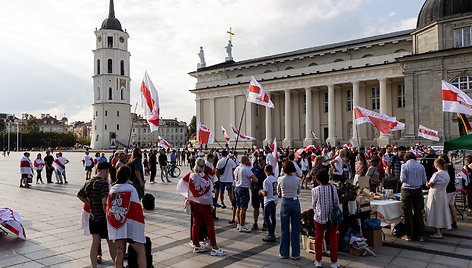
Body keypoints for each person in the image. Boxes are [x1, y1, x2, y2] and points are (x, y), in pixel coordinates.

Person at [178, 158, 225, 256]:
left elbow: (181, 183)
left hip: (193, 202)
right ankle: (214, 247)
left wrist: (188, 195)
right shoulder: (205, 177)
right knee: (210, 225)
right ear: (203, 166)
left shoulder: (190, 175)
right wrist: (211, 205)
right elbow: (209, 192)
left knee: (196, 223)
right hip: (203, 204)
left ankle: (196, 245)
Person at [77, 162, 117, 268]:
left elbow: (80, 195)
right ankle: (118, 265)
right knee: (110, 242)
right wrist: (106, 214)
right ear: (105, 170)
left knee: (95, 242)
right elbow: (104, 201)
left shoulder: (90, 181)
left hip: (93, 217)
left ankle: (94, 266)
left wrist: (90, 204)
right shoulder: (103, 183)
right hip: (103, 218)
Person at [107, 166, 147, 268]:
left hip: (118, 224)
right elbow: (136, 208)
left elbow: (109, 208)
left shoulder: (112, 189)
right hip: (131, 224)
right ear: (128, 176)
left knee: (120, 251)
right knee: (141, 251)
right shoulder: (131, 189)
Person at [312, 168, 340, 268]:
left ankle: (318, 260)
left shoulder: (315, 190)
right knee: (333, 239)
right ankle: (334, 262)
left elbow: (314, 204)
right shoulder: (333, 188)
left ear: (318, 180)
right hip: (332, 217)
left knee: (318, 238)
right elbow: (336, 202)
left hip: (320, 216)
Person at [400, 152, 427, 241]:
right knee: (419, 212)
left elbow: (402, 179)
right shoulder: (421, 166)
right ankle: (421, 235)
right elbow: (424, 180)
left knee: (407, 212)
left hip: (407, 189)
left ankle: (409, 235)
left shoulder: (404, 166)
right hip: (418, 190)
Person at [277, 161, 301, 260]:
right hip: (295, 201)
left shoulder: (280, 179)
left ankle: (284, 253)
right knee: (295, 229)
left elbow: (278, 192)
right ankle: (295, 254)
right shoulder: (297, 179)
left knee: (284, 229)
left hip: (285, 202)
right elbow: (298, 191)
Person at [425, 157, 452, 239]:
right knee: (442, 212)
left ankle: (438, 232)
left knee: (435, 212)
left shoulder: (436, 174)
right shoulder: (446, 173)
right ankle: (441, 229)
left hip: (435, 195)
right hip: (443, 194)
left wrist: (427, 183)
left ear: (436, 164)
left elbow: (430, 184)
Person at [234, 156, 258, 233]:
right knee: (243, 208)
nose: (248, 162)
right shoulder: (246, 169)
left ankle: (239, 223)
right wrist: (253, 180)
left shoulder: (237, 168)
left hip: (237, 188)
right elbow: (255, 179)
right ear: (245, 161)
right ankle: (242, 225)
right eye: (248, 160)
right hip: (244, 188)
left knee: (238, 207)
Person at [439, 154, 458, 229]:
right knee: (452, 205)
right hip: (452, 189)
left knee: (445, 207)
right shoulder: (451, 166)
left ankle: (445, 223)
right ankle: (454, 221)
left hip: (447, 190)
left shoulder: (445, 168)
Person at [260, 164, 278, 242]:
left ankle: (271, 233)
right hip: (274, 200)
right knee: (273, 217)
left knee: (266, 217)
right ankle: (272, 232)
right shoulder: (274, 179)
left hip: (268, 200)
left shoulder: (266, 180)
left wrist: (261, 191)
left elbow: (265, 193)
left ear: (265, 171)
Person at [251, 155, 267, 231]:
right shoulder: (255, 168)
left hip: (264, 191)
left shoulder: (267, 168)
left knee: (264, 208)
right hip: (256, 190)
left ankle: (265, 223)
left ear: (264, 160)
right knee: (256, 207)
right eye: (258, 160)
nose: (258, 162)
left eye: (260, 160)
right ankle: (255, 223)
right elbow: (249, 174)